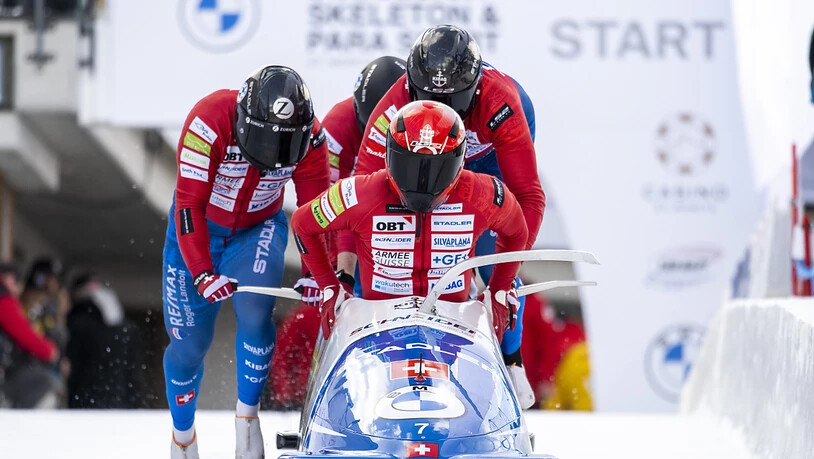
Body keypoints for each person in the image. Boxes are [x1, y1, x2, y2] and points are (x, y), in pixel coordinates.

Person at [345, 25, 544, 407]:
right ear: (411, 88)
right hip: (418, 155)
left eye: (452, 100)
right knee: (393, 238)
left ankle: (511, 360)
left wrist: (506, 275)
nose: (441, 107)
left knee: (487, 252)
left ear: (473, 90)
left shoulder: (502, 103)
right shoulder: (392, 105)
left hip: (484, 164)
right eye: (429, 97)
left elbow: (529, 198)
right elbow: (357, 196)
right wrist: (350, 275)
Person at [162, 65, 329, 459]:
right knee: (189, 346)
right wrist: (202, 272)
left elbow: (317, 211)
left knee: (255, 311)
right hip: (197, 231)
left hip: (259, 229)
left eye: (284, 148)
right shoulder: (207, 121)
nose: (272, 159)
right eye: (265, 144)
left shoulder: (313, 138)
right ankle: (182, 436)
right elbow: (189, 205)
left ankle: (247, 418)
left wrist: (313, 273)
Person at [291, 100, 527, 348]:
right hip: (379, 327)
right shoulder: (359, 193)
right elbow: (303, 224)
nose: (422, 182)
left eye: (437, 169)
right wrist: (329, 283)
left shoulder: (482, 194)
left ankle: (515, 367)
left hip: (454, 328)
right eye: (410, 166)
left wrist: (500, 287)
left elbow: (517, 231)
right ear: (389, 156)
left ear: (458, 162)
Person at [67, 274, 145, 408]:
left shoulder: (77, 323)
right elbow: (134, 373)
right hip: (120, 401)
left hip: (84, 401)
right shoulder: (125, 327)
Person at [0, 262, 61, 408]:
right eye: (14, 279)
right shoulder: (4, 301)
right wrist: (49, 351)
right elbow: (24, 334)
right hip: (9, 370)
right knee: (44, 386)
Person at [519, 293, 592, 410]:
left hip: (531, 387)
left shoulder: (533, 303)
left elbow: (548, 343)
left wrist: (547, 378)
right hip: (525, 385)